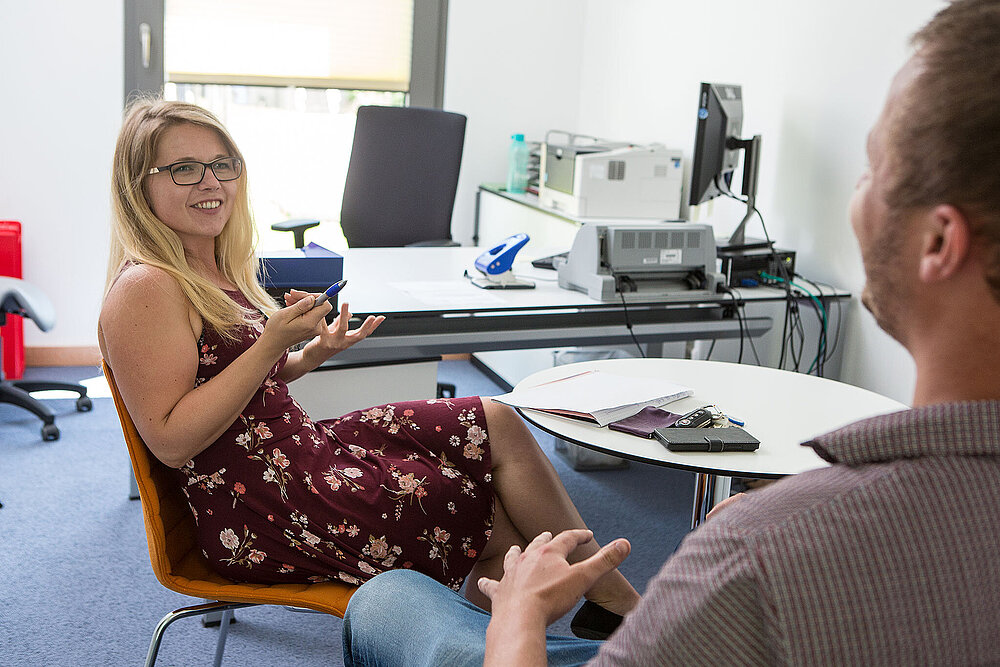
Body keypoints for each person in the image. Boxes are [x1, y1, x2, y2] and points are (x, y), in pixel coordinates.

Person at [341, 0, 1000, 664]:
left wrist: (520, 616)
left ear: (939, 240)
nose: (856, 199)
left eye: (871, 170)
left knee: (390, 598)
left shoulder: (761, 554)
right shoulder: (773, 543)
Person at [98, 98, 641, 626]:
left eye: (222, 165)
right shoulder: (147, 287)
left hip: (296, 452)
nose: (212, 182)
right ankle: (616, 609)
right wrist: (269, 345)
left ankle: (603, 605)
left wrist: (306, 355)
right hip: (257, 504)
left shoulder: (207, 263)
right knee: (496, 520)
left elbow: (231, 383)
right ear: (138, 185)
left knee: (494, 419)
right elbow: (171, 440)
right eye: (185, 169)